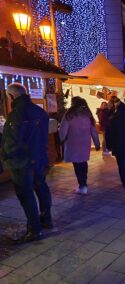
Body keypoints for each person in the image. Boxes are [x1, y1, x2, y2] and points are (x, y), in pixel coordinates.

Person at [0, 83, 52, 243]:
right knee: (41, 187)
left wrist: (6, 157)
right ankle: (46, 219)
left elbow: (11, 142)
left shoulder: (16, 115)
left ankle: (35, 229)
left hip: (22, 162)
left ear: (11, 97)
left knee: (26, 194)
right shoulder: (40, 112)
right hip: (39, 159)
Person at [59, 97, 100, 195]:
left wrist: (61, 138)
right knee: (83, 163)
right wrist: (97, 143)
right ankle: (84, 184)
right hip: (85, 143)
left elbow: (63, 129)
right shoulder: (88, 115)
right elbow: (93, 131)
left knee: (77, 165)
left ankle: (82, 185)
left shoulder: (69, 115)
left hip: (73, 143)